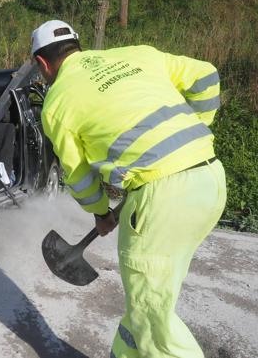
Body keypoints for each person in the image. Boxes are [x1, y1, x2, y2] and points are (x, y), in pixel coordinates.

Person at [31, 20, 227, 357]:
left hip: (164, 197)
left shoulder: (58, 103)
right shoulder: (136, 55)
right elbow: (206, 75)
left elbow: (78, 177)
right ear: (77, 46)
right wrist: (194, 132)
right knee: (148, 295)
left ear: (42, 64)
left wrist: (101, 213)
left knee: (153, 316)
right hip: (210, 180)